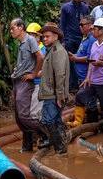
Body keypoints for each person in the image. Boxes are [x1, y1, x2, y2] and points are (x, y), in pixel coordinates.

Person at [73, 17, 103, 132]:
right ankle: (78, 123)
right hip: (93, 80)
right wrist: (88, 77)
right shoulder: (94, 44)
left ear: (102, 30)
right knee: (80, 96)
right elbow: (91, 63)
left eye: (95, 29)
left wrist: (102, 63)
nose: (92, 31)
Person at [9, 18, 44, 152]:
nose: (11, 31)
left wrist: (34, 74)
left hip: (25, 82)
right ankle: (27, 145)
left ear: (21, 27)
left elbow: (40, 57)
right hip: (18, 80)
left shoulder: (30, 40)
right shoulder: (21, 43)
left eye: (13, 28)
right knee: (19, 117)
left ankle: (47, 134)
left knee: (24, 115)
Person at [38, 22, 70, 154]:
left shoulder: (57, 52)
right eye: (43, 37)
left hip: (53, 94)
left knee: (48, 121)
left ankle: (60, 148)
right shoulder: (52, 50)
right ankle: (61, 148)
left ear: (56, 37)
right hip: (52, 93)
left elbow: (60, 75)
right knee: (55, 120)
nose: (44, 39)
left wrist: (60, 96)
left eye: (47, 36)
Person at [60, 0, 90, 91]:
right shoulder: (66, 7)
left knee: (82, 60)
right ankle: (71, 85)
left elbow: (87, 23)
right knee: (70, 62)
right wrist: (62, 40)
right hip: (69, 39)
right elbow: (62, 25)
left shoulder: (85, 8)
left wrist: (87, 37)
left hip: (82, 39)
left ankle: (81, 83)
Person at [26, 22, 46, 130]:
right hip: (31, 84)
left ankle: (42, 135)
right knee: (33, 111)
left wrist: (35, 74)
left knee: (35, 113)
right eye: (29, 35)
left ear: (39, 36)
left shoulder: (43, 50)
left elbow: (46, 70)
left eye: (33, 35)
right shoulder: (30, 49)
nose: (31, 38)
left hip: (40, 84)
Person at [67, 15, 96, 85]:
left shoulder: (92, 39)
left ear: (90, 25)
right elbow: (82, 54)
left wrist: (75, 59)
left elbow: (91, 58)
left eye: (82, 25)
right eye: (79, 24)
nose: (80, 26)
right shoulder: (85, 37)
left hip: (86, 78)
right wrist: (73, 55)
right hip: (80, 76)